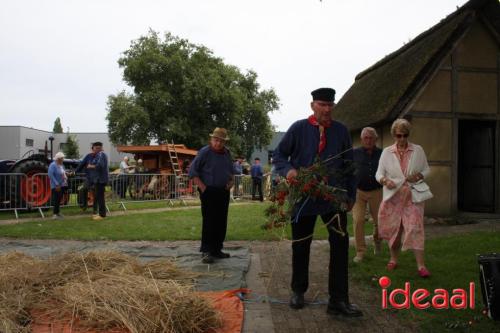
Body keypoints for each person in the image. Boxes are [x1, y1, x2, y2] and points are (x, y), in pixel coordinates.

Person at [273, 87, 362, 317]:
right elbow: (279, 156)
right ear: (313, 105)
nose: (327, 109)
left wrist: (351, 195)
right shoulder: (299, 128)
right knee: (301, 244)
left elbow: (350, 165)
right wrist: (289, 171)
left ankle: (338, 301)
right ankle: (298, 291)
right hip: (304, 198)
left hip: (333, 200)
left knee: (341, 247)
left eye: (330, 105)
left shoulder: (341, 131)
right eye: (322, 104)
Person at [375, 119, 431, 278]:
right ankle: (393, 259)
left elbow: (426, 169)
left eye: (405, 135)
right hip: (393, 197)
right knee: (395, 229)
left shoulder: (418, 150)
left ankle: (421, 266)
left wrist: (419, 175)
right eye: (399, 135)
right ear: (394, 135)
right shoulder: (387, 152)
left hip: (413, 196)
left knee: (415, 227)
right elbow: (378, 174)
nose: (402, 139)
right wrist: (385, 181)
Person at [189, 128, 235, 264]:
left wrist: (231, 182)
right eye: (216, 140)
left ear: (225, 142)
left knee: (221, 221)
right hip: (209, 191)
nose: (218, 143)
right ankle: (206, 251)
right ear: (211, 140)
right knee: (209, 221)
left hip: (223, 192)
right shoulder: (205, 152)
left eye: (221, 141)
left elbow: (231, 172)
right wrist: (204, 189)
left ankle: (217, 249)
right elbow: (192, 172)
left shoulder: (227, 153)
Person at [352, 127, 383, 263]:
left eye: (371, 138)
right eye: (366, 138)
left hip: (377, 191)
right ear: (361, 139)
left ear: (376, 139)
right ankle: (360, 251)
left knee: (379, 222)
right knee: (358, 220)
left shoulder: (382, 154)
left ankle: (377, 241)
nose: (368, 140)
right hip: (358, 192)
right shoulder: (354, 153)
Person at [87, 142, 109, 221]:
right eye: (94, 148)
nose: (94, 150)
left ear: (99, 148)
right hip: (99, 179)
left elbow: (100, 165)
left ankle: (102, 215)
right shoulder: (99, 155)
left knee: (100, 198)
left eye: (95, 148)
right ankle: (100, 214)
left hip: (100, 180)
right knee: (99, 197)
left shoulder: (101, 154)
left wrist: (90, 166)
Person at [75, 144, 98, 215]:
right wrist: (75, 172)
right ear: (92, 149)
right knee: (83, 189)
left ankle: (95, 209)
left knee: (95, 192)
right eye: (94, 149)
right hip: (88, 178)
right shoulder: (88, 156)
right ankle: (84, 205)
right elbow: (81, 165)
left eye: (97, 149)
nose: (95, 150)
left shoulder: (99, 157)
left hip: (96, 179)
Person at [48, 152, 68, 219]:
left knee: (59, 199)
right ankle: (54, 214)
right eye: (62, 158)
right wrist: (56, 184)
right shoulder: (53, 165)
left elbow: (63, 173)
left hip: (62, 184)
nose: (63, 159)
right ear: (58, 159)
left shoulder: (62, 165)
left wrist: (66, 175)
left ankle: (58, 213)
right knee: (56, 199)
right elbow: (50, 175)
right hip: (56, 185)